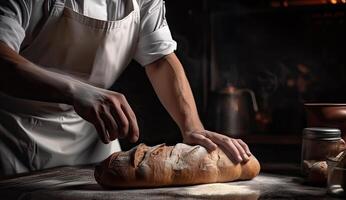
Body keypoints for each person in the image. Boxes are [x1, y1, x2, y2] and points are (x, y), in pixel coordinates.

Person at [0, 0, 252, 177]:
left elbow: (161, 59)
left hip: (95, 138)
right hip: (15, 140)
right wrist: (75, 91)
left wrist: (192, 127)